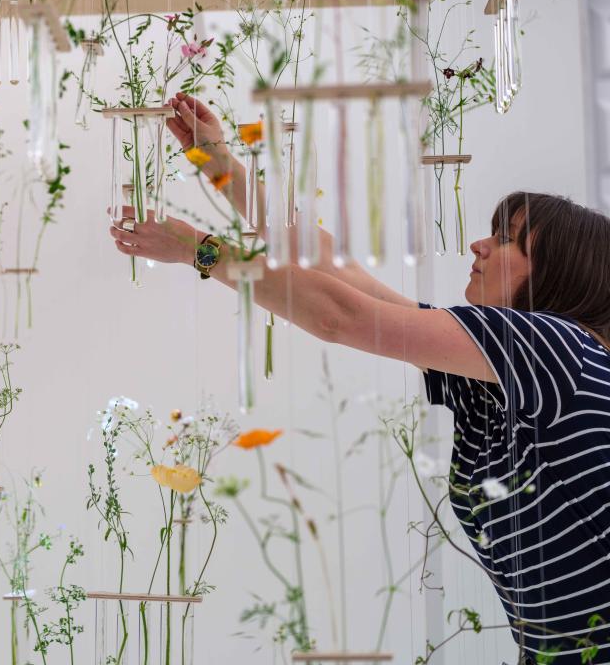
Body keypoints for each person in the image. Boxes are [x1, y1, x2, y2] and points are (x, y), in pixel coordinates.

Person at [108, 93, 610, 663]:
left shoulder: (551, 347)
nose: (479, 244)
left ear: (554, 277)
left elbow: (337, 315)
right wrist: (220, 164)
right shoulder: (509, 371)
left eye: (506, 240)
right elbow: (335, 272)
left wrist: (198, 251)